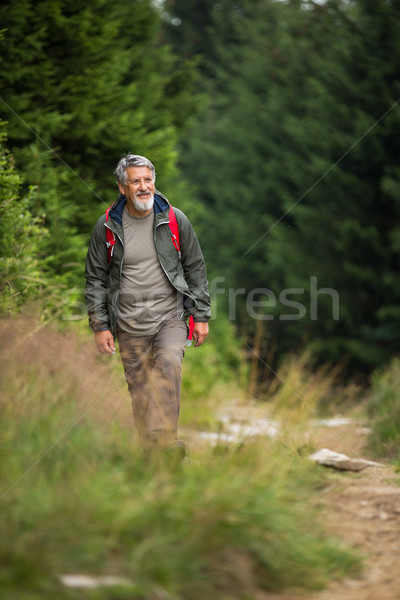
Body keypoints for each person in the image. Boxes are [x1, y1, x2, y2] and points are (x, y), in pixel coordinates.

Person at [84, 154, 211, 457]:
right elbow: (95, 279)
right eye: (135, 181)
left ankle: (166, 442)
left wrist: (201, 316)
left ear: (154, 181)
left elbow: (196, 268)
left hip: (170, 317)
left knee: (169, 364)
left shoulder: (174, 219)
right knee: (140, 391)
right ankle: (153, 453)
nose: (143, 187)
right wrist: (100, 325)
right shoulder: (107, 228)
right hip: (128, 324)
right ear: (122, 188)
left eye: (148, 179)